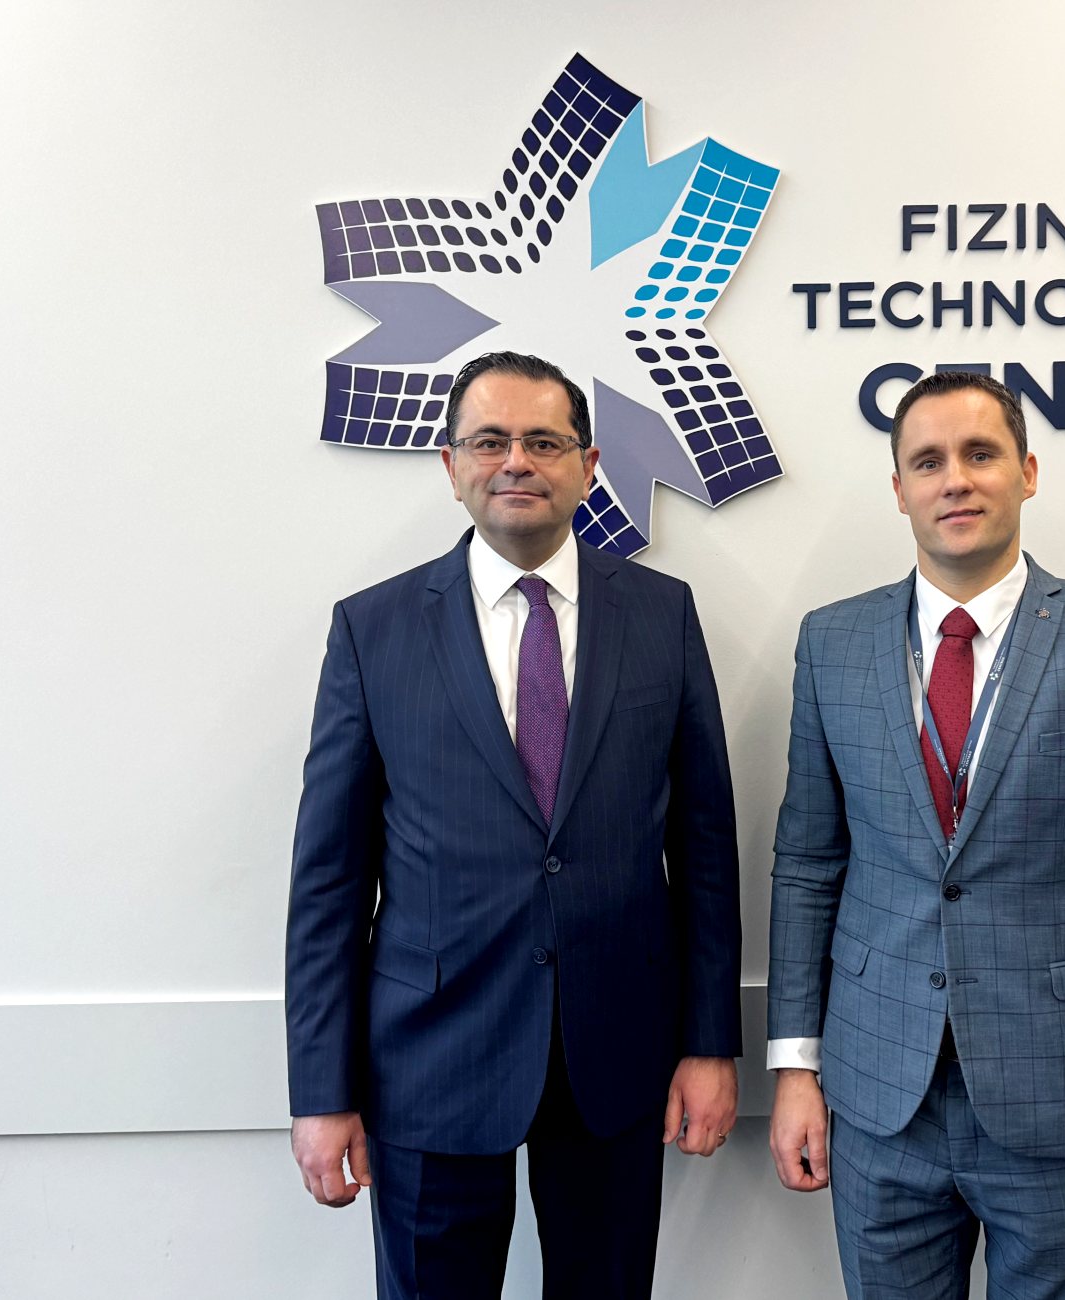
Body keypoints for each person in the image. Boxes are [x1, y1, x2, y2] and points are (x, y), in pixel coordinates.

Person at [285, 351, 742, 1299]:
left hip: (616, 1056)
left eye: (544, 441)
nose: (517, 461)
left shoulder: (662, 615)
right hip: (429, 1062)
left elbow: (704, 851)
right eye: (489, 441)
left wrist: (709, 1044)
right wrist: (321, 1093)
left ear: (588, 464)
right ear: (451, 466)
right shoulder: (373, 629)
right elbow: (329, 883)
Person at [765, 370, 1065, 1298]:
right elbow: (808, 867)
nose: (955, 480)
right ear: (900, 489)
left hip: (1062, 1100)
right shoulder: (831, 643)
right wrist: (796, 1066)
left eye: (980, 454)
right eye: (928, 462)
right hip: (878, 1098)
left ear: (1027, 472)